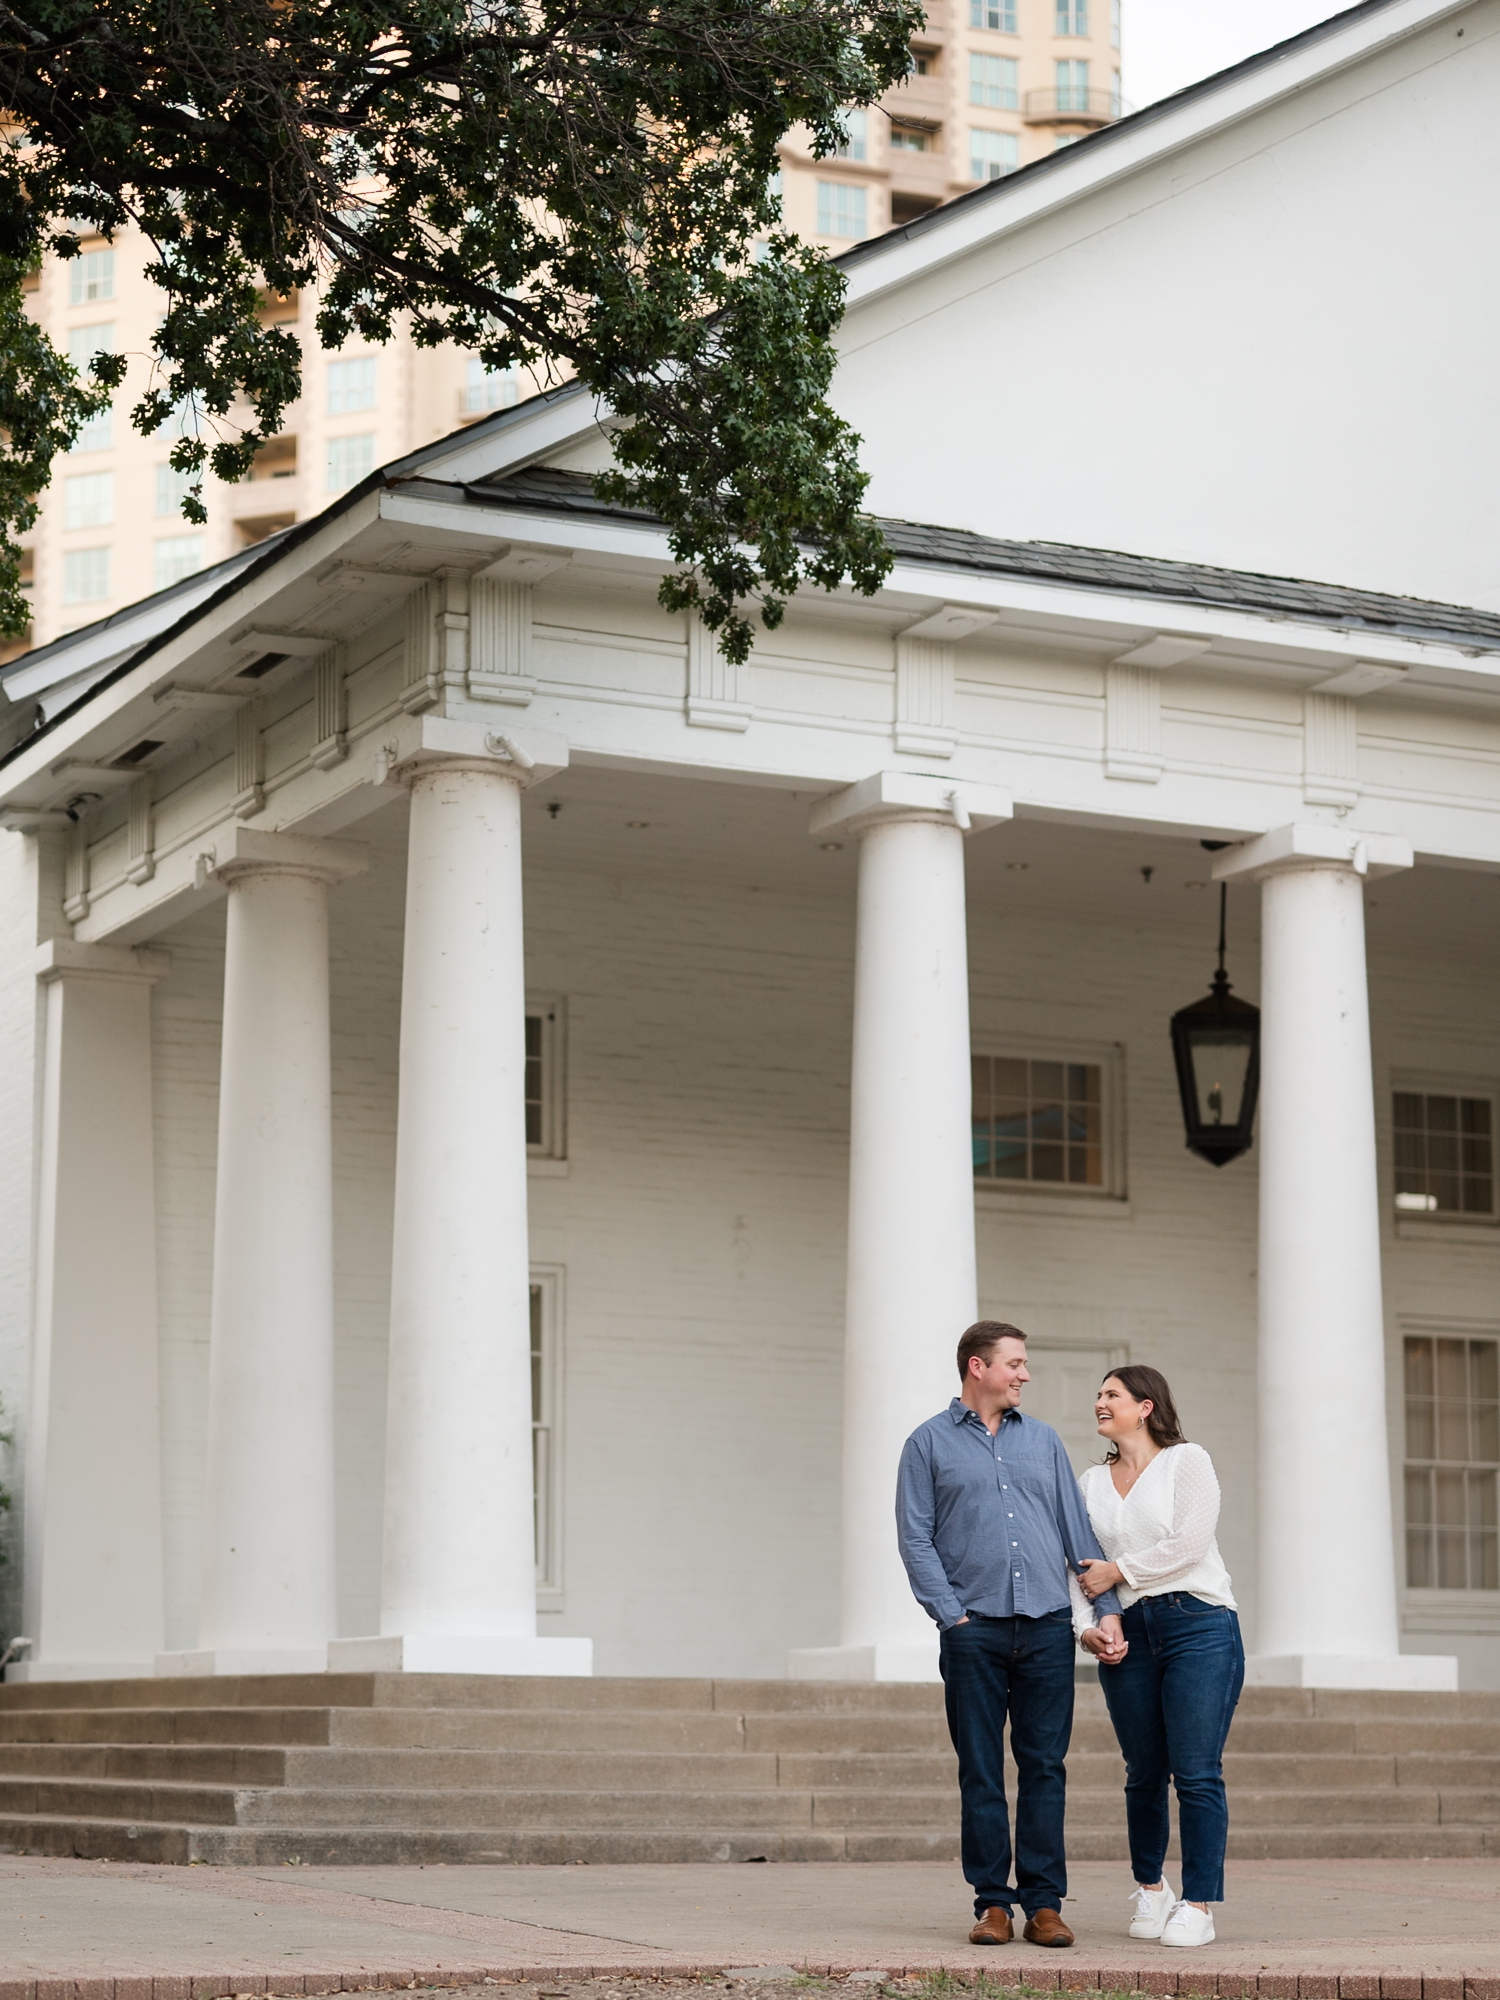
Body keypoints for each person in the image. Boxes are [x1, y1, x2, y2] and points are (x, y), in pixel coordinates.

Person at [897, 1320, 1128, 1950]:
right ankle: (993, 1904)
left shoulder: (1045, 1442)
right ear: (979, 1367)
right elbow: (915, 1538)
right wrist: (953, 1617)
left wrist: (1104, 1607)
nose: (1025, 1374)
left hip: (1048, 1628)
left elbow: (1076, 1532)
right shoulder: (926, 1444)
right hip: (974, 1632)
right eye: (1016, 1364)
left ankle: (1044, 1904)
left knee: (1045, 1768)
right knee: (981, 1770)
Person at [1074, 1365, 1244, 1951]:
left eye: (1111, 1395)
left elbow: (1189, 1545)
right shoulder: (1089, 1484)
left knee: (1195, 1771)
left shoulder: (1186, 1461)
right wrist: (1090, 1625)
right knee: (1142, 1772)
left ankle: (1199, 1903)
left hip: (1198, 1622)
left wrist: (1118, 1573)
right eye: (1098, 1395)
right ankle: (1151, 1889)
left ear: (1145, 1407)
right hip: (1128, 1635)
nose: (1099, 1403)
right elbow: (1078, 1564)